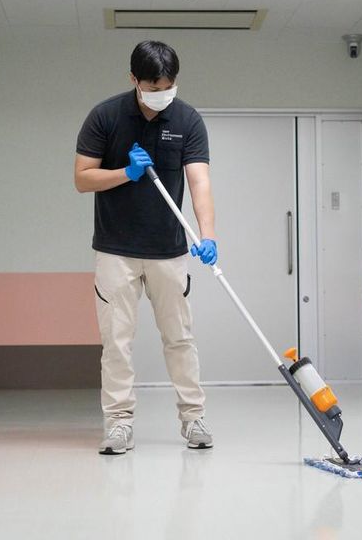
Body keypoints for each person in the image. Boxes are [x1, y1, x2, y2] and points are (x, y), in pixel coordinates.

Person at [74, 40, 218, 455]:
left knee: (180, 338)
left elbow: (199, 181)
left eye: (168, 86)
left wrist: (207, 235)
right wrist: (126, 172)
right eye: (154, 87)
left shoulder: (187, 120)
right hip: (115, 250)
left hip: (169, 251)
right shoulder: (105, 116)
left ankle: (193, 418)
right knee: (116, 342)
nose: (162, 94)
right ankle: (119, 424)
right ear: (134, 80)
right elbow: (82, 178)